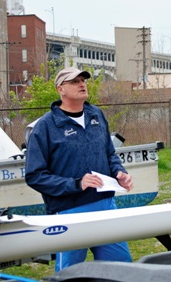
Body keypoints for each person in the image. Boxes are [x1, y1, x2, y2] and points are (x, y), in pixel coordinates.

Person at [25, 67, 133, 272]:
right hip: (69, 213)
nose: (82, 83)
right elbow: (34, 176)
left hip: (105, 206)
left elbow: (109, 153)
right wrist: (76, 184)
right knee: (70, 274)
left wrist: (120, 173)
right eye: (74, 81)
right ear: (60, 89)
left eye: (83, 80)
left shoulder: (97, 115)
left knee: (122, 270)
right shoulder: (46, 126)